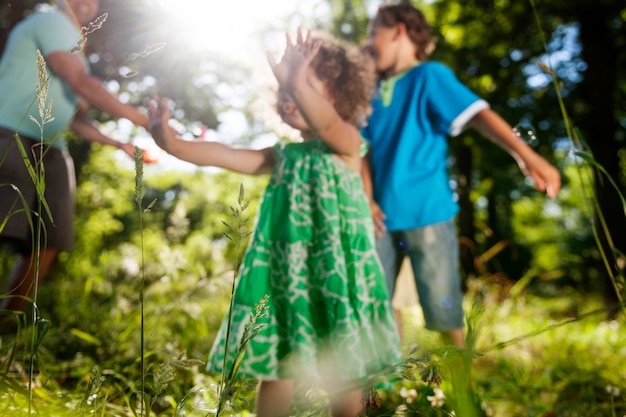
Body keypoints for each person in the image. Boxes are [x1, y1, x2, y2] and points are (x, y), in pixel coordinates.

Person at [149, 29, 401, 417]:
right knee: (277, 365)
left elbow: (329, 125)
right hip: (288, 275)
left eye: (302, 83)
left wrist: (294, 79)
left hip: (337, 274)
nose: (290, 93)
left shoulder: (347, 142)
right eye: (283, 88)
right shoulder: (283, 155)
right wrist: (173, 144)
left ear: (337, 97)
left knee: (343, 370)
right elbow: (226, 154)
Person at [360, 4, 562, 349]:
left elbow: (477, 115)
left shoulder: (428, 77)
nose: (367, 43)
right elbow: (359, 151)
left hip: (428, 215)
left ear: (399, 32)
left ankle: (461, 392)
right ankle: (385, 389)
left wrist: (525, 156)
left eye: (373, 33)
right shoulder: (368, 94)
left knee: (444, 308)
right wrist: (366, 199)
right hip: (377, 219)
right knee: (375, 307)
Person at [0, 0, 149, 322]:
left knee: (51, 239)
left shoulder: (75, 47)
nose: (88, 2)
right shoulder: (50, 22)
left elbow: (79, 120)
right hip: (10, 132)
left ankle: (7, 328)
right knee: (4, 225)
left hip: (53, 146)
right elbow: (80, 82)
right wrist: (145, 119)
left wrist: (120, 142)